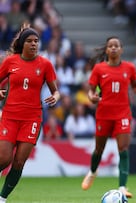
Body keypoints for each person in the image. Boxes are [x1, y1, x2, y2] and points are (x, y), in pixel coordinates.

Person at [81, 36, 136, 198]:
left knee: (123, 149)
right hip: (104, 113)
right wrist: (92, 97)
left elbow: (134, 85)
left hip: (123, 113)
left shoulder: (129, 68)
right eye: (110, 46)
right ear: (106, 50)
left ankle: (123, 186)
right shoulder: (99, 69)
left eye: (116, 46)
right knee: (99, 148)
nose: (113, 48)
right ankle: (92, 171)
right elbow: (91, 90)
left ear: (121, 49)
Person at [0, 24, 60, 202]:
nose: (34, 44)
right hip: (10, 116)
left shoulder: (45, 64)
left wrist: (55, 97)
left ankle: (2, 198)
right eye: (29, 41)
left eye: (36, 41)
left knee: (19, 161)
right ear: (22, 44)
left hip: (32, 119)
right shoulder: (11, 61)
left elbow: (55, 90)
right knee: (4, 158)